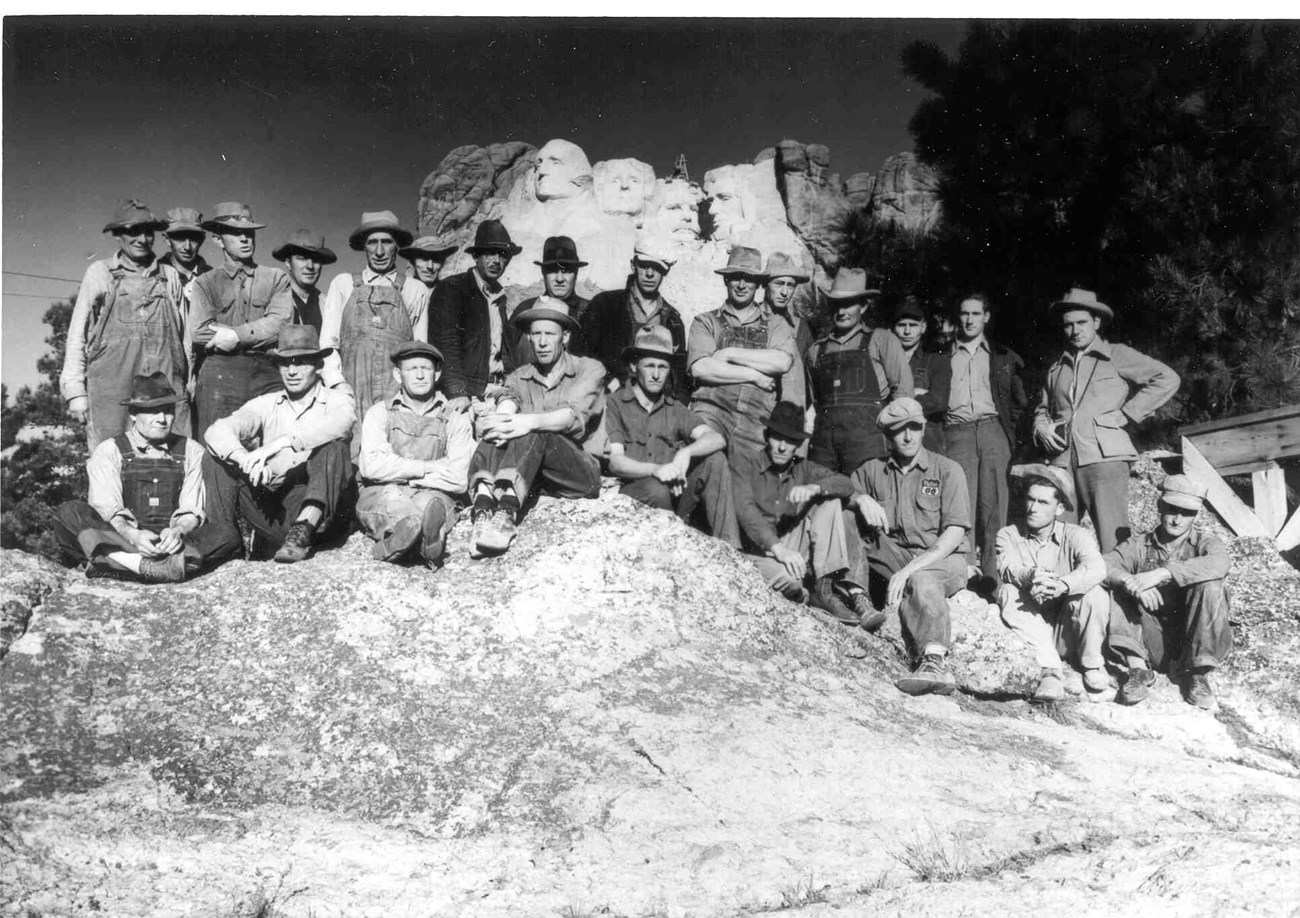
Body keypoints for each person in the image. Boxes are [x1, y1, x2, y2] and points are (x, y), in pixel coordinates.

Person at [1032, 288, 1180, 552]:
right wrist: (1041, 425)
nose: (1075, 330)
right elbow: (1043, 407)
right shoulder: (1057, 367)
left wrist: (1127, 414)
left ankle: (1121, 593)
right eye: (1068, 325)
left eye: (1082, 323)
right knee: (1062, 540)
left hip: (1105, 459)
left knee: (1114, 539)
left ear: (1096, 322)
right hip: (1062, 461)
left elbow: (1167, 378)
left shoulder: (1117, 355)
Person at [201, 325, 355, 564]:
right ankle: (225, 538)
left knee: (334, 448)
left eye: (301, 362)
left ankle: (303, 531)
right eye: (285, 363)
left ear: (318, 365)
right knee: (216, 456)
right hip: (273, 506)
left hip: (317, 510)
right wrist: (244, 458)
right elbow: (218, 430)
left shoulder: (338, 401)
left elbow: (342, 424)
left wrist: (278, 445)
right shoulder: (267, 403)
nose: (292, 371)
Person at [465, 296, 605, 556]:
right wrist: (502, 418)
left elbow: (571, 417)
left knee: (537, 428)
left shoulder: (590, 369)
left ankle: (506, 513)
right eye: (535, 334)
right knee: (503, 426)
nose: (541, 342)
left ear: (565, 336)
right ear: (528, 337)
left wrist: (524, 421)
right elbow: (509, 398)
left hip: (579, 473)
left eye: (549, 334)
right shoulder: (520, 375)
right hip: (536, 475)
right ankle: (483, 506)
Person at [850, 397, 971, 695]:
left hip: (944, 558)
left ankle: (933, 661)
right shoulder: (871, 471)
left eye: (915, 428)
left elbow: (954, 534)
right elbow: (845, 490)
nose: (908, 436)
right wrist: (859, 498)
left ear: (923, 428)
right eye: (899, 430)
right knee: (844, 515)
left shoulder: (947, 470)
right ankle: (853, 596)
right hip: (896, 553)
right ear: (887, 436)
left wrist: (909, 570)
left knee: (921, 579)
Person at [53, 372, 216, 582]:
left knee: (224, 533)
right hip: (125, 542)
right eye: (152, 412)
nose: (162, 419)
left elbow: (192, 508)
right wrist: (133, 535)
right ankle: (141, 566)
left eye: (167, 411)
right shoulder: (110, 450)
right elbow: (107, 510)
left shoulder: (192, 450)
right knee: (68, 513)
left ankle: (115, 564)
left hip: (172, 547)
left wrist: (178, 532)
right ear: (133, 414)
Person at [61, 199, 188, 449]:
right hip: (112, 391)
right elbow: (78, 335)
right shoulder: (100, 273)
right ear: (118, 235)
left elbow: (185, 340)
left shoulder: (170, 276)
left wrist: (189, 381)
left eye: (148, 232)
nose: (142, 238)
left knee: (173, 463)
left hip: (166, 388)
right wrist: (75, 391)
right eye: (133, 231)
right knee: (110, 460)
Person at [733, 401, 870, 625]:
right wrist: (780, 551)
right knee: (791, 585)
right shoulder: (745, 462)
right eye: (777, 437)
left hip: (791, 547)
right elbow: (745, 511)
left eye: (790, 441)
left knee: (831, 500)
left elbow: (845, 483)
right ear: (767, 436)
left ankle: (824, 588)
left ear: (798, 444)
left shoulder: (802, 467)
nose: (782, 447)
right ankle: (805, 593)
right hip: (758, 550)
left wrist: (814, 488)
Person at [1104, 474, 1232, 709]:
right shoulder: (1140, 544)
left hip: (1191, 637)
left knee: (1211, 585)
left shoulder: (1205, 543)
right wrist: (1131, 583)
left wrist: (1162, 574)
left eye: (1186, 513)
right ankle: (1139, 670)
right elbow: (1105, 565)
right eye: (1172, 510)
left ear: (1196, 515)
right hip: (1150, 638)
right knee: (1121, 586)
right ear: (1160, 507)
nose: (1177, 519)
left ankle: (1198, 672)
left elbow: (1221, 563)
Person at [605, 326, 739, 547]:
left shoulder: (674, 407)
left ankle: (730, 547)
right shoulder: (615, 403)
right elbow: (616, 462)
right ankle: (674, 547)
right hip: (635, 497)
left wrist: (685, 454)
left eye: (663, 367)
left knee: (715, 460)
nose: (656, 375)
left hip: (673, 499)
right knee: (655, 488)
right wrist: (657, 470)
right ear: (633, 366)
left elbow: (716, 438)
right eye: (649, 366)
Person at [995, 464, 1110, 703]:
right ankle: (1051, 671)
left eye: (1043, 503)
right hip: (1031, 627)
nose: (1032, 508)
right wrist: (1030, 576)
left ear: (1059, 509)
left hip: (1066, 629)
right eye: (1030, 500)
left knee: (1094, 593)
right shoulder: (1008, 534)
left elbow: (1097, 567)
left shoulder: (1076, 534)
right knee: (1007, 591)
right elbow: (1007, 567)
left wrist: (1063, 585)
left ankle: (1092, 664)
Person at [356, 340, 474, 568]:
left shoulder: (454, 417)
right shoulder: (380, 412)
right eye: (412, 369)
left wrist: (400, 473)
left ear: (437, 373)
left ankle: (399, 543)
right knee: (394, 499)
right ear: (398, 375)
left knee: (430, 503)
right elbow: (372, 467)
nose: (420, 375)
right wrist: (427, 468)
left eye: (426, 369)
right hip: (384, 492)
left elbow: (459, 478)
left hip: (433, 493)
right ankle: (425, 542)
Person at [688, 246, 804, 465]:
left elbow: (781, 362)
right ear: (726, 281)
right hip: (712, 411)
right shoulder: (705, 321)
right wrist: (755, 375)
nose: (741, 285)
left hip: (756, 418)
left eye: (748, 279)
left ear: (759, 283)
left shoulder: (776, 325)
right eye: (735, 278)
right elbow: (701, 368)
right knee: (706, 468)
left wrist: (728, 354)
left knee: (751, 483)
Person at [188, 201, 293, 443]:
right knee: (217, 444)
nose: (245, 239)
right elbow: (199, 332)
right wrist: (259, 332)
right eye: (235, 233)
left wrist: (234, 336)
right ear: (217, 240)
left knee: (277, 442)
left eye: (249, 233)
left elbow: (282, 324)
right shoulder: (206, 282)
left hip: (267, 369)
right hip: (219, 370)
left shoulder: (276, 278)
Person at [942, 293, 1027, 582]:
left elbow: (1019, 401)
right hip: (957, 432)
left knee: (995, 504)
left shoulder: (1002, 355)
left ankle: (993, 576)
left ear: (986, 317)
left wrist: (1007, 429)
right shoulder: (942, 354)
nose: (969, 320)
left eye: (976, 314)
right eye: (964, 313)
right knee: (960, 503)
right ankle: (962, 572)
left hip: (992, 431)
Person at [320, 211, 425, 439]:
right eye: (372, 242)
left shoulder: (415, 290)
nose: (379, 251)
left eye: (386, 242)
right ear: (364, 247)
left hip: (397, 392)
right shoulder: (343, 284)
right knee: (350, 455)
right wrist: (337, 385)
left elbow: (420, 350)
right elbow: (328, 345)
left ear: (396, 246)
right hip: (350, 389)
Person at [806, 268, 913, 474]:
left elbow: (903, 395)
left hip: (868, 444)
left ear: (863, 307)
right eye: (837, 304)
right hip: (824, 447)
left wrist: (896, 441)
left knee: (868, 501)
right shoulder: (816, 350)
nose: (842, 311)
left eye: (849, 304)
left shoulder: (882, 340)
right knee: (822, 500)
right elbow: (816, 400)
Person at [580, 234, 688, 397]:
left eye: (657, 268)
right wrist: (610, 381)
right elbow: (582, 355)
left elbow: (677, 377)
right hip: (609, 398)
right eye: (644, 266)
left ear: (665, 272)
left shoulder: (673, 320)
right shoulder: (605, 305)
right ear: (633, 265)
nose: (650, 274)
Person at [430, 219, 521, 403]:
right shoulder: (454, 288)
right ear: (477, 256)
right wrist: (457, 393)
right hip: (466, 394)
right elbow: (447, 346)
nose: (496, 261)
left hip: (498, 390)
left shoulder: (499, 297)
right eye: (489, 253)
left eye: (503, 255)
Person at [509, 235, 591, 365]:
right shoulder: (526, 310)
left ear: (576, 273)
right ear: (543, 272)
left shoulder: (590, 311)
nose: (559, 278)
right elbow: (506, 355)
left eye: (566, 271)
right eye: (553, 271)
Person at [272, 229, 338, 333]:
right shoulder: (272, 300)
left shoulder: (329, 306)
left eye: (316, 260)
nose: (310, 266)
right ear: (288, 263)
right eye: (302, 258)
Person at [400, 233, 458, 339]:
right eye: (424, 259)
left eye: (436, 259)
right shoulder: (402, 292)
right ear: (413, 261)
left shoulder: (452, 295)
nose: (430, 266)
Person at [763, 252, 815, 366]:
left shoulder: (800, 326)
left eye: (790, 285)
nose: (784, 292)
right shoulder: (750, 319)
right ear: (764, 284)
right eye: (779, 284)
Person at [158, 207, 212, 286]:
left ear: (201, 240)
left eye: (193, 239)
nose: (187, 247)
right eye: (180, 238)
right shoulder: (152, 275)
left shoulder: (214, 278)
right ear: (167, 239)